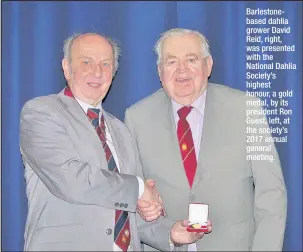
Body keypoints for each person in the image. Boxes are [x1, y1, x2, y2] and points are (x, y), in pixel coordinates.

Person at [20, 32, 211, 251]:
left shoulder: (120, 130)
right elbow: (70, 179)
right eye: (86, 62)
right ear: (66, 67)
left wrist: (171, 234)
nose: (97, 71)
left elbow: (128, 210)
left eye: (106, 64)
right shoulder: (41, 112)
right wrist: (139, 188)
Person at [124, 28, 287, 251]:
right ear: (160, 71)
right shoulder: (136, 118)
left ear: (208, 65)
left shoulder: (246, 109)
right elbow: (131, 199)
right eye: (171, 62)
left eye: (191, 59)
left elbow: (271, 194)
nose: (182, 69)